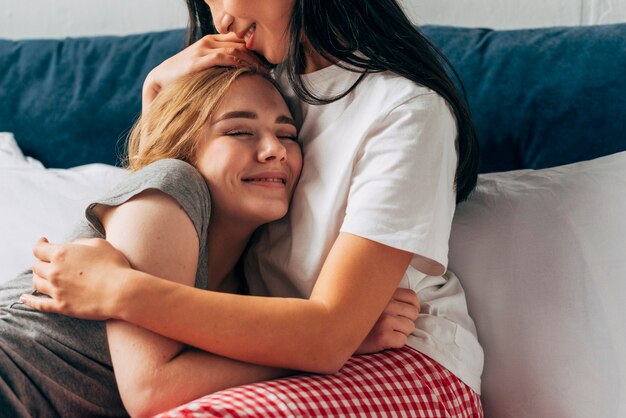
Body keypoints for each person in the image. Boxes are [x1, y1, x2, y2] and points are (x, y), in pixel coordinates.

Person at [23, 0, 484, 415]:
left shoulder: (404, 111)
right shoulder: (259, 84)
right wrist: (157, 90)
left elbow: (330, 332)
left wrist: (121, 290)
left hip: (406, 360)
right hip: (301, 353)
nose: (218, 16)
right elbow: (170, 196)